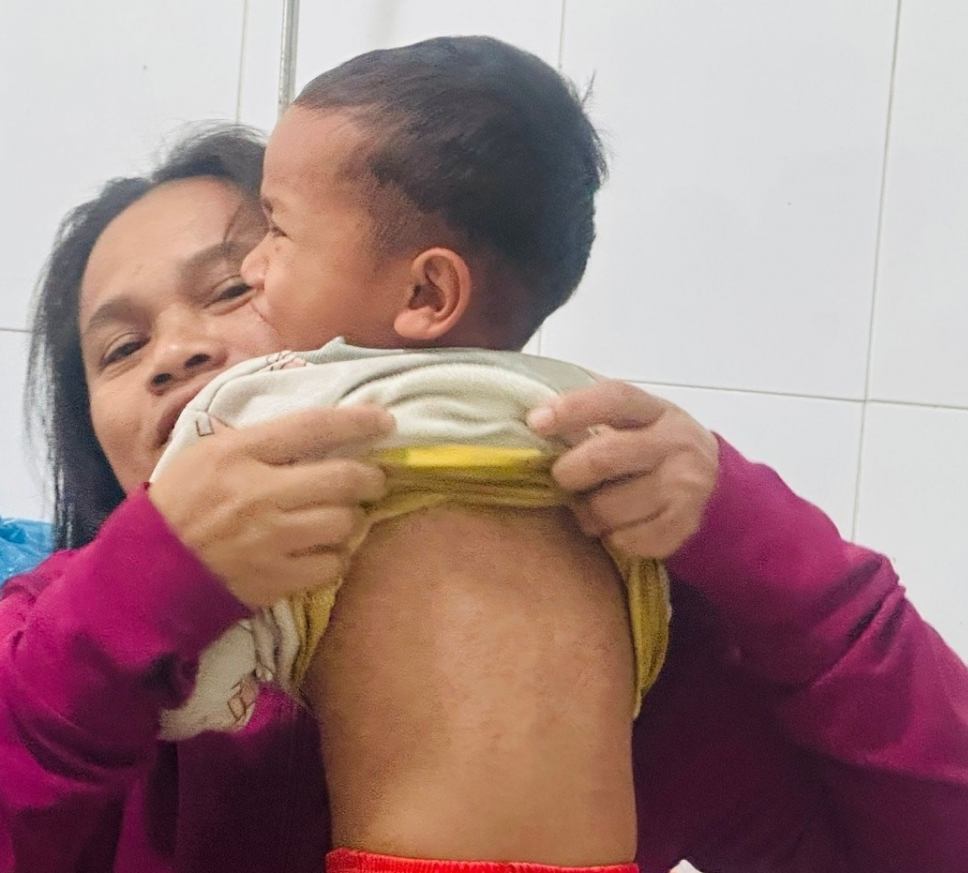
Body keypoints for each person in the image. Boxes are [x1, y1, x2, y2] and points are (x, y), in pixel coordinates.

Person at [0, 66, 968, 873]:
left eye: (240, 279)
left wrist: (752, 535)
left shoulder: (608, 631)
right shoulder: (63, 635)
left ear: (413, 307)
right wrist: (136, 596)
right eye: (118, 349)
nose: (177, 353)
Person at [148, 37, 671, 873]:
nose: (254, 265)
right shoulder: (600, 430)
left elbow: (183, 681)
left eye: (277, 229)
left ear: (426, 293)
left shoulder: (274, 408)